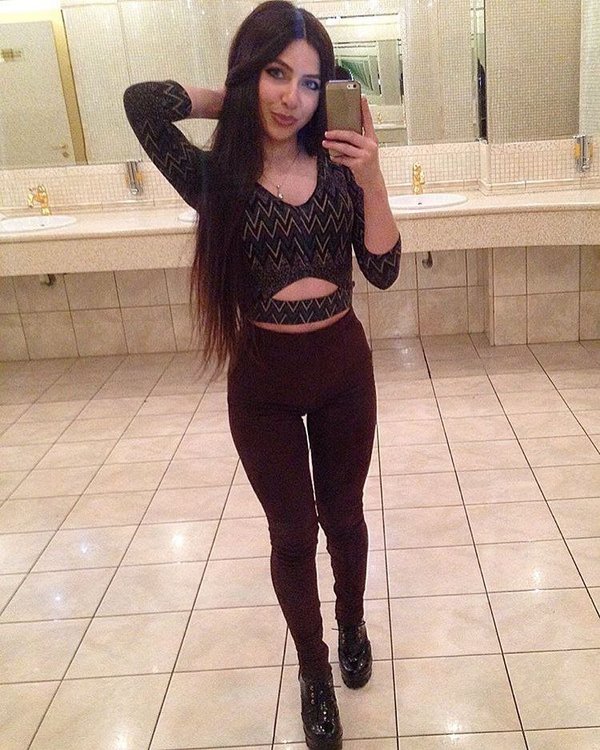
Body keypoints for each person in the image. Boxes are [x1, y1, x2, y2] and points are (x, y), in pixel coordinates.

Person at [123, 2, 400, 747]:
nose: (293, 98)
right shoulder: (217, 177)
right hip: (263, 386)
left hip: (343, 371)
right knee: (292, 534)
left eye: (310, 83)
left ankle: (351, 626)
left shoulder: (341, 167)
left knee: (344, 516)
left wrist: (373, 176)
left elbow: (382, 270)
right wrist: (237, 97)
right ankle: (313, 670)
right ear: (252, 73)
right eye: (277, 74)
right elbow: (144, 104)